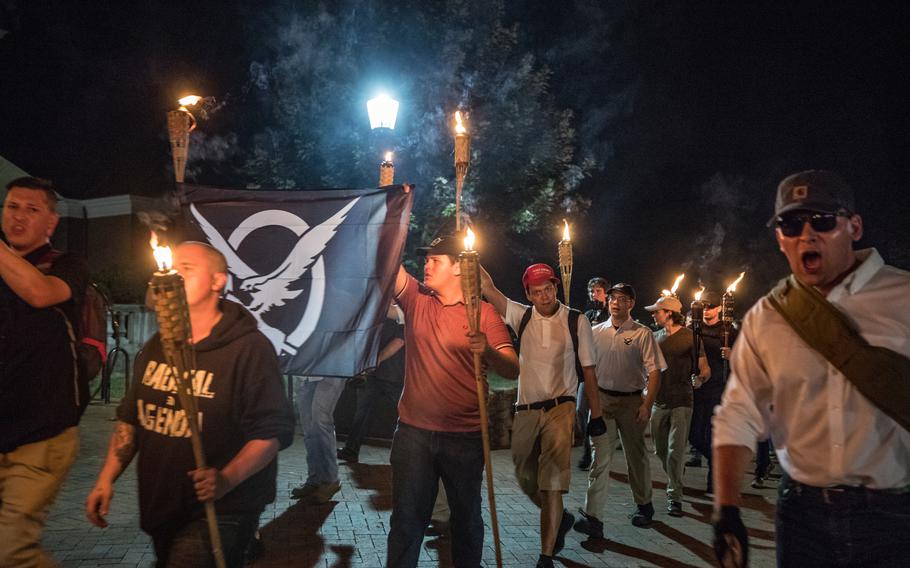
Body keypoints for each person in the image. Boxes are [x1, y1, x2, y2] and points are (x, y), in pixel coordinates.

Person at [712, 170, 910, 567]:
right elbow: (739, 414)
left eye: (821, 220)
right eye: (790, 223)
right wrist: (727, 510)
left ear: (853, 226)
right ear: (779, 238)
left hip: (895, 518)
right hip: (801, 516)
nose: (807, 234)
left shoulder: (902, 298)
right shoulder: (767, 317)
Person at [85, 242, 295, 567]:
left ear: (217, 281)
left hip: (221, 510)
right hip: (163, 502)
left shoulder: (249, 349)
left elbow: (270, 433)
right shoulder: (159, 345)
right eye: (171, 268)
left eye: (187, 268)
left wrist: (225, 479)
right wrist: (106, 479)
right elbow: (131, 419)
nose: (173, 275)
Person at [387, 234, 518, 568]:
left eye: (435, 260)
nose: (426, 265)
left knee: (466, 521)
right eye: (426, 259)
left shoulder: (483, 314)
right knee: (405, 523)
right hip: (413, 434)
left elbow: (513, 367)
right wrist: (389, 205)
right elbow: (387, 262)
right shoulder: (417, 298)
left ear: (459, 267)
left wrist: (486, 349)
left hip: (465, 437)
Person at [481, 263, 604, 568]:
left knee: (551, 483)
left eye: (548, 288)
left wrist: (596, 416)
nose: (544, 295)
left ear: (555, 287)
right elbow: (487, 288)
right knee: (525, 477)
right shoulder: (520, 315)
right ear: (528, 294)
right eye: (536, 291)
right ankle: (559, 517)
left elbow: (588, 370)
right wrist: (469, 249)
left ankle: (545, 555)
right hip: (525, 409)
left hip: (560, 409)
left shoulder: (576, 321)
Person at [0, 177, 88, 566]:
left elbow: (39, 293)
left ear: (51, 223)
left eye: (31, 210)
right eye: (11, 207)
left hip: (42, 434)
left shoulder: (67, 265)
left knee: (12, 552)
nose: (18, 216)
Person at [574, 283, 667, 539]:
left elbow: (655, 371)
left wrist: (647, 405)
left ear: (631, 304)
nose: (616, 302)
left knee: (636, 456)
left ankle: (644, 506)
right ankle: (593, 516)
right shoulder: (595, 332)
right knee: (599, 458)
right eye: (613, 298)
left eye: (623, 299)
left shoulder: (642, 334)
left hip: (631, 403)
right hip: (603, 401)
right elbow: (587, 369)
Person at [646, 295, 709, 517]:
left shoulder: (691, 337)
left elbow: (704, 368)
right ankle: (675, 472)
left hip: (683, 400)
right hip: (659, 401)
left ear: (669, 313)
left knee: (675, 451)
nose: (653, 315)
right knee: (660, 449)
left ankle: (675, 497)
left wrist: (700, 379)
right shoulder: (654, 337)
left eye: (657, 311)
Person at [337, 304, 405, 463]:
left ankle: (410, 453)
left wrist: (376, 359)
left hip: (393, 372)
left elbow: (401, 340)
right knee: (362, 411)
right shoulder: (378, 309)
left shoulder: (402, 309)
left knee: (406, 413)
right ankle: (351, 450)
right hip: (375, 372)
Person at [687, 289, 734, 493]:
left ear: (720, 308)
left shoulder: (729, 330)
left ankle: (713, 480)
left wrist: (733, 355)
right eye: (703, 306)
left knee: (713, 433)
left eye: (710, 307)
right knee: (694, 435)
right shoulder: (693, 329)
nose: (706, 310)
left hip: (719, 388)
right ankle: (715, 461)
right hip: (698, 387)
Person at [289, 374, 347, 505]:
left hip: (331, 370)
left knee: (321, 420)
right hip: (306, 373)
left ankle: (331, 479)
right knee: (309, 427)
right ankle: (315, 478)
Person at [577, 276, 610, 471]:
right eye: (591, 291)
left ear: (606, 292)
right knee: (581, 410)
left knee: (599, 413)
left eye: (597, 291)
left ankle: (600, 452)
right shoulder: (588, 315)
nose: (593, 294)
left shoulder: (611, 314)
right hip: (586, 371)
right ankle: (587, 451)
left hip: (604, 372)